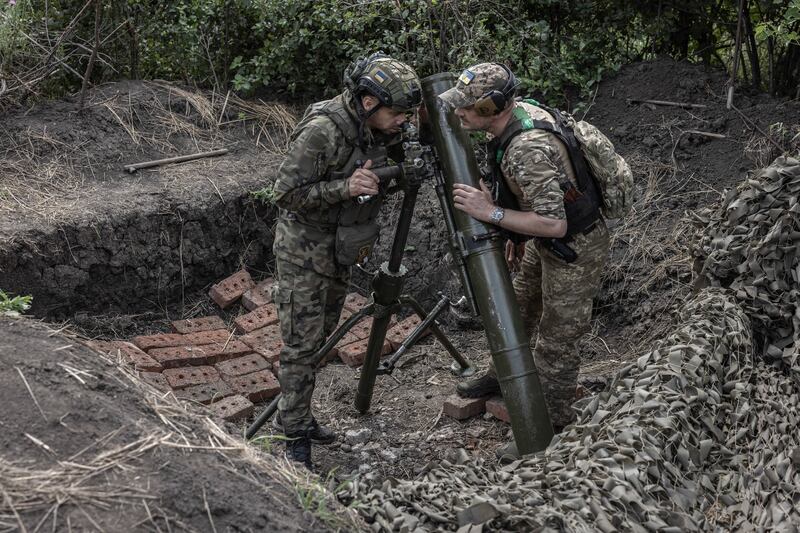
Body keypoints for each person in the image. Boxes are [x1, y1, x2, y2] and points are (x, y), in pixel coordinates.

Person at [439, 63, 613, 457]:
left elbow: (553, 223)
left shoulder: (527, 148)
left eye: (467, 107)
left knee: (557, 337)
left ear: (492, 107)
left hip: (576, 245)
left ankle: (546, 421)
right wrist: (515, 230)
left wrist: (491, 214)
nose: (459, 113)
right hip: (544, 239)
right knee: (518, 306)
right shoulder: (512, 120)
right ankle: (503, 375)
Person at [270, 53, 422, 468]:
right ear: (368, 102)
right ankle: (294, 433)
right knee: (301, 345)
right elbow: (284, 194)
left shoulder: (379, 130)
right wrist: (344, 188)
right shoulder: (323, 131)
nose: (403, 122)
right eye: (397, 113)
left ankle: (299, 414)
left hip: (341, 249)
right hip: (304, 253)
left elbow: (388, 169)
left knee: (320, 338)